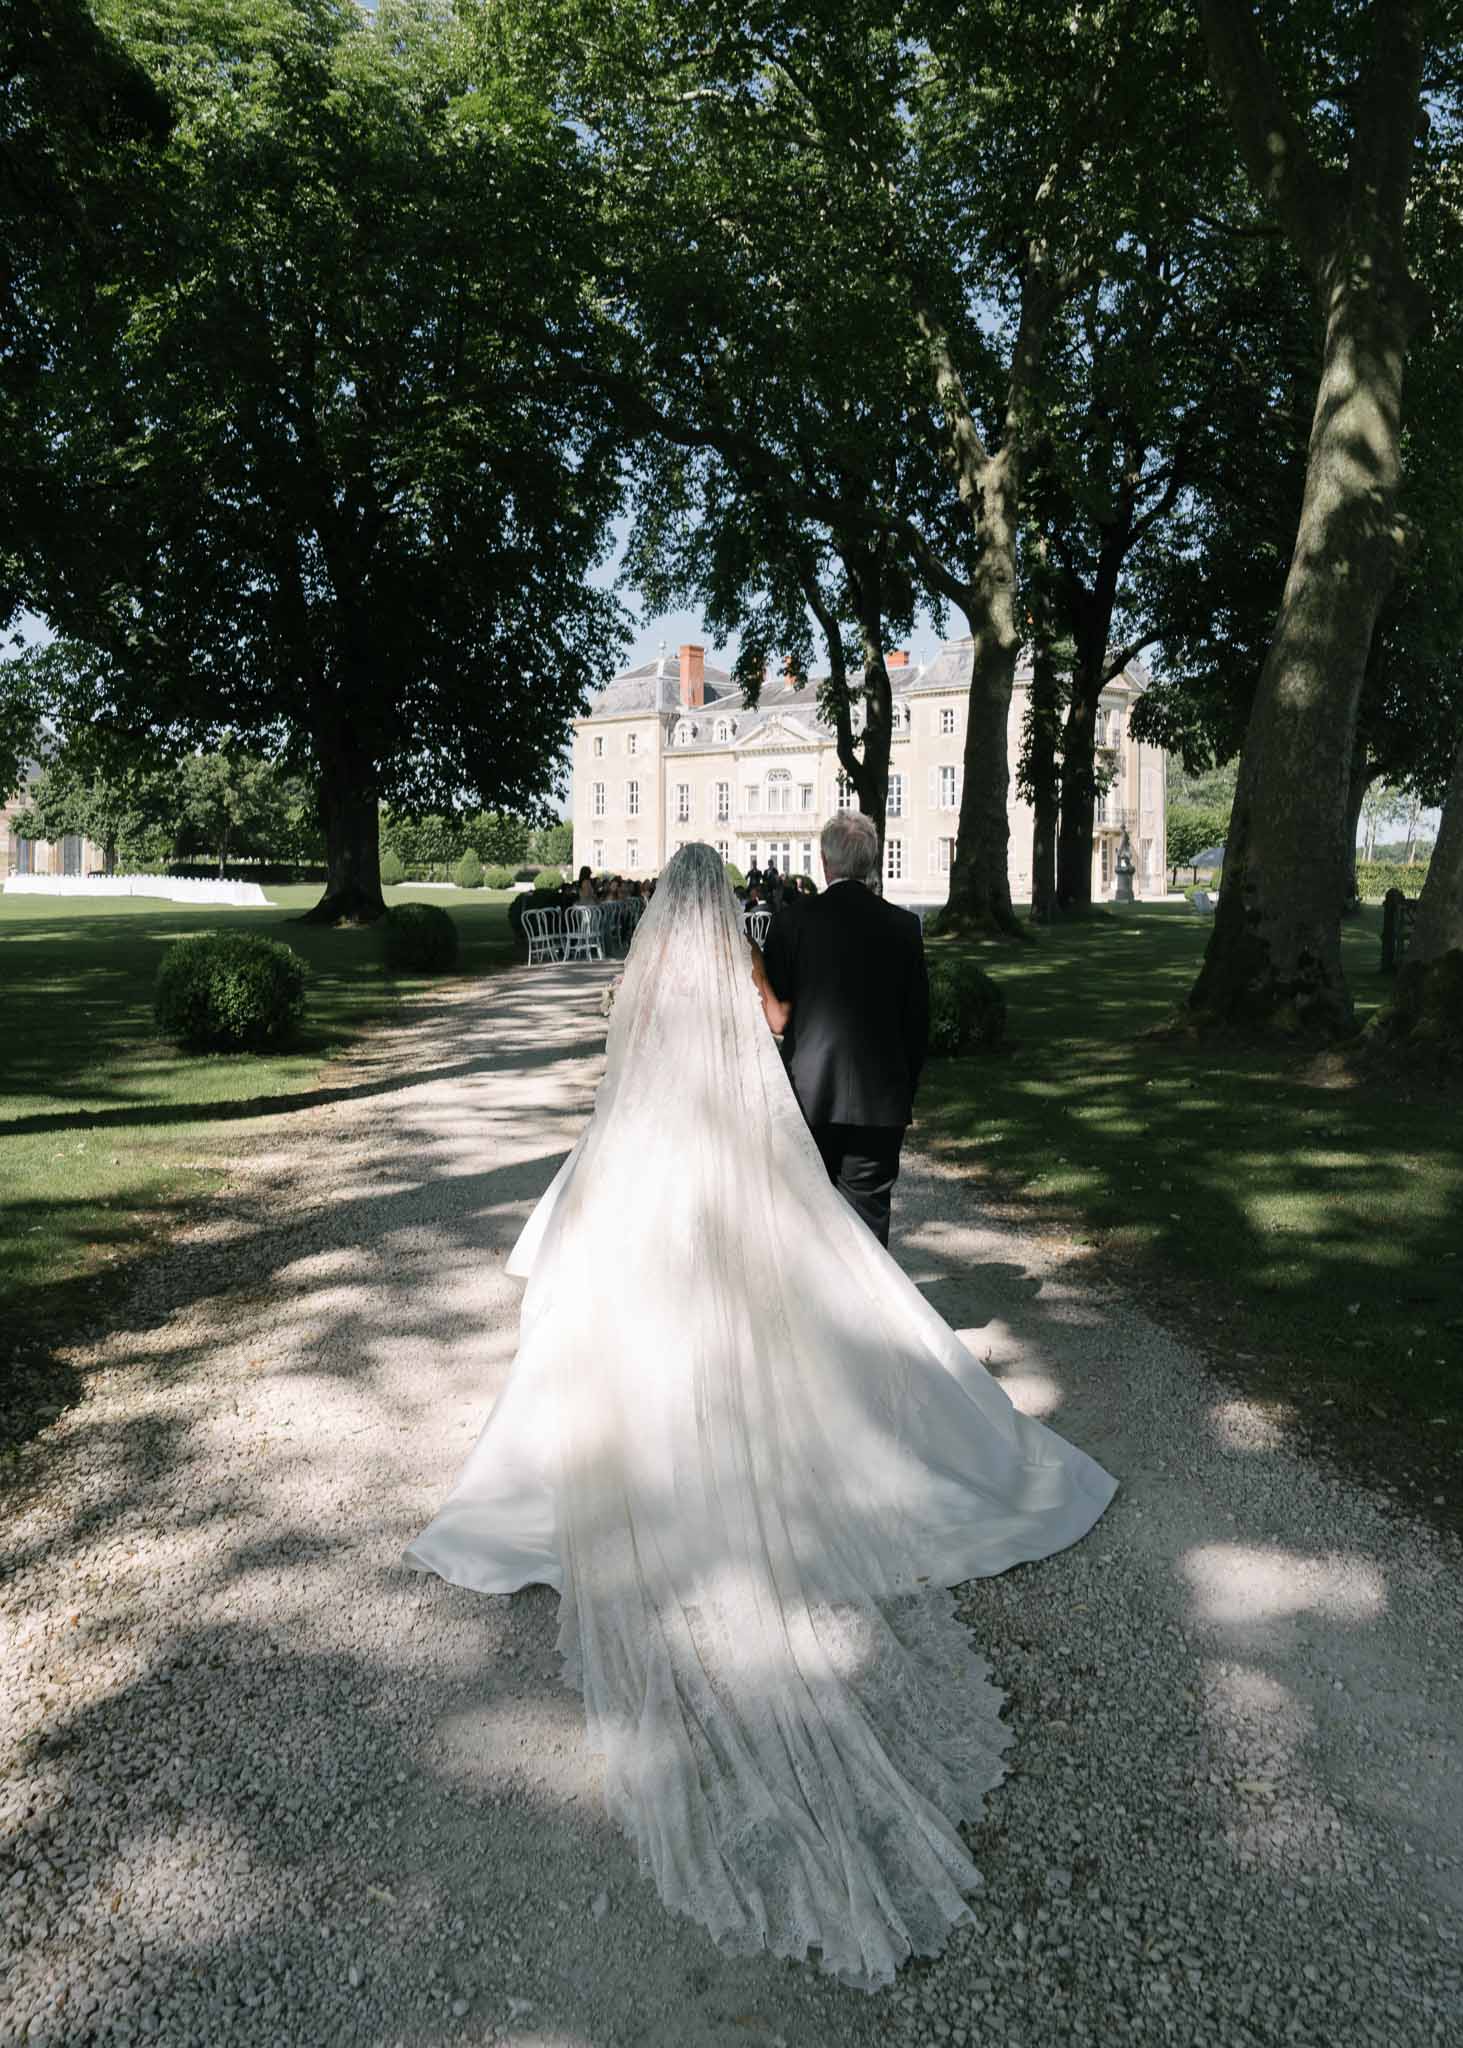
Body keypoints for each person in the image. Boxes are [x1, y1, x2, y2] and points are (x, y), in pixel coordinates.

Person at [405, 841, 1115, 1992]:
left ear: (658, 908)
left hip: (642, 1148)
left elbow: (620, 1055)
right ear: (719, 901)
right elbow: (776, 1027)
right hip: (728, 1143)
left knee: (616, 1302)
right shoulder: (743, 950)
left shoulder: (639, 964)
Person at [762, 812, 926, 1248]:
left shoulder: (792, 923)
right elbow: (917, 1025)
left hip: (809, 1094)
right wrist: (903, 1091)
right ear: (871, 862)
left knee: (805, 1221)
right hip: (880, 1101)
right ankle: (871, 1315)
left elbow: (776, 1012)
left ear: (824, 862)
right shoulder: (905, 927)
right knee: (869, 1225)